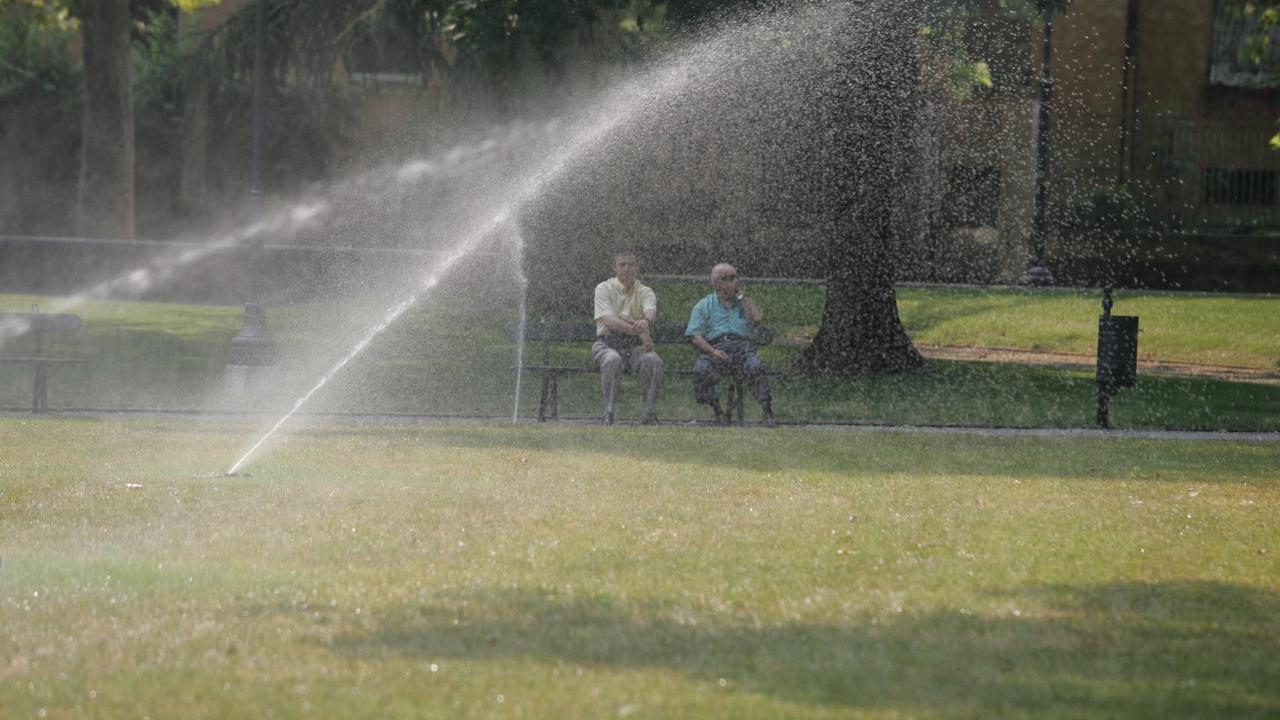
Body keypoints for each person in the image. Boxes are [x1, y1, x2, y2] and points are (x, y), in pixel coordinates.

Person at [685, 263, 775, 426]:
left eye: (734, 277)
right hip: (715, 349)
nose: (733, 282)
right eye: (727, 279)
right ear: (716, 283)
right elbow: (694, 335)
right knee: (701, 370)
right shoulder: (703, 305)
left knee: (756, 366)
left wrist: (741, 297)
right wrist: (712, 352)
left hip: (742, 349)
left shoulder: (744, 302)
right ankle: (718, 411)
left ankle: (767, 412)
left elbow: (757, 319)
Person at [592, 251, 663, 425]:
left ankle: (649, 414)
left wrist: (645, 322)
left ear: (637, 268)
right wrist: (638, 330)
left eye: (631, 264)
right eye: (622, 264)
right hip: (607, 344)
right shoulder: (603, 289)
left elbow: (650, 314)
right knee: (612, 359)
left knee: (653, 360)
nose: (627, 268)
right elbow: (609, 322)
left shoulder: (645, 291)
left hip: (636, 348)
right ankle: (608, 412)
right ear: (614, 268)